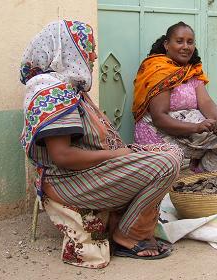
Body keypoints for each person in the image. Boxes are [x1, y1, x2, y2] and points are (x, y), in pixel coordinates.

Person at [19, 20, 183, 267]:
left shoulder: (70, 89)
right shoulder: (53, 92)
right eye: (89, 47)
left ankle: (128, 226)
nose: (94, 55)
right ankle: (128, 235)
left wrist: (123, 154)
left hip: (88, 173)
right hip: (67, 181)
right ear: (67, 50)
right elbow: (62, 156)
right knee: (167, 161)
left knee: (169, 151)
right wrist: (117, 156)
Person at [132, 22, 217, 172]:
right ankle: (204, 169)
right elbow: (159, 119)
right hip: (162, 135)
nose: (186, 47)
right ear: (167, 44)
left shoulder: (192, 70)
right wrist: (197, 127)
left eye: (190, 42)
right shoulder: (160, 71)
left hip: (189, 131)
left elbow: (205, 101)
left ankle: (204, 169)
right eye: (179, 41)